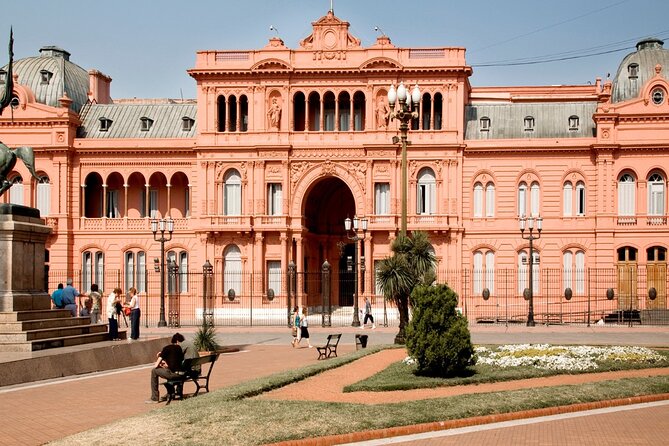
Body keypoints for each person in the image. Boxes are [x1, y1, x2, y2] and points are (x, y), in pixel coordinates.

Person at [146, 333, 186, 404]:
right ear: (178, 341)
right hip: (182, 374)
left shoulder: (166, 348)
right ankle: (170, 393)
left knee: (154, 371)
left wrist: (159, 359)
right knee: (167, 370)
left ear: (175, 340)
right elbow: (175, 363)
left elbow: (156, 365)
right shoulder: (180, 349)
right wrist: (164, 365)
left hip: (173, 374)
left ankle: (154, 398)